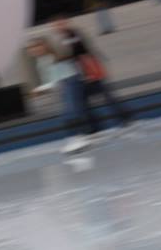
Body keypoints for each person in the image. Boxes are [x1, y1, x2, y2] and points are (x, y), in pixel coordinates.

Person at [53, 16, 133, 151]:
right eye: (57, 25)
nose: (59, 27)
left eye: (61, 23)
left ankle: (124, 120)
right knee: (83, 103)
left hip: (87, 69)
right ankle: (93, 129)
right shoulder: (60, 40)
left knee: (105, 97)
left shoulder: (74, 34)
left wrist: (91, 71)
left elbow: (83, 51)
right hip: (77, 75)